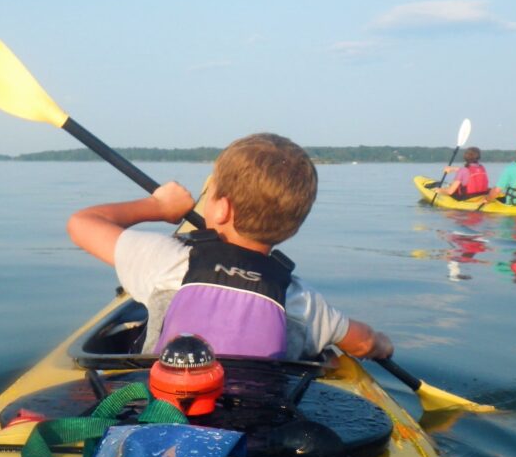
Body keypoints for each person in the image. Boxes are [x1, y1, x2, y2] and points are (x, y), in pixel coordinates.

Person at [67, 133, 393, 362]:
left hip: (164, 417)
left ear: (221, 209)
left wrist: (158, 207)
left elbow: (82, 223)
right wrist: (382, 345)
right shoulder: (302, 301)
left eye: (208, 191)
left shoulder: (167, 261)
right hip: (253, 433)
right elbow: (363, 342)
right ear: (293, 227)